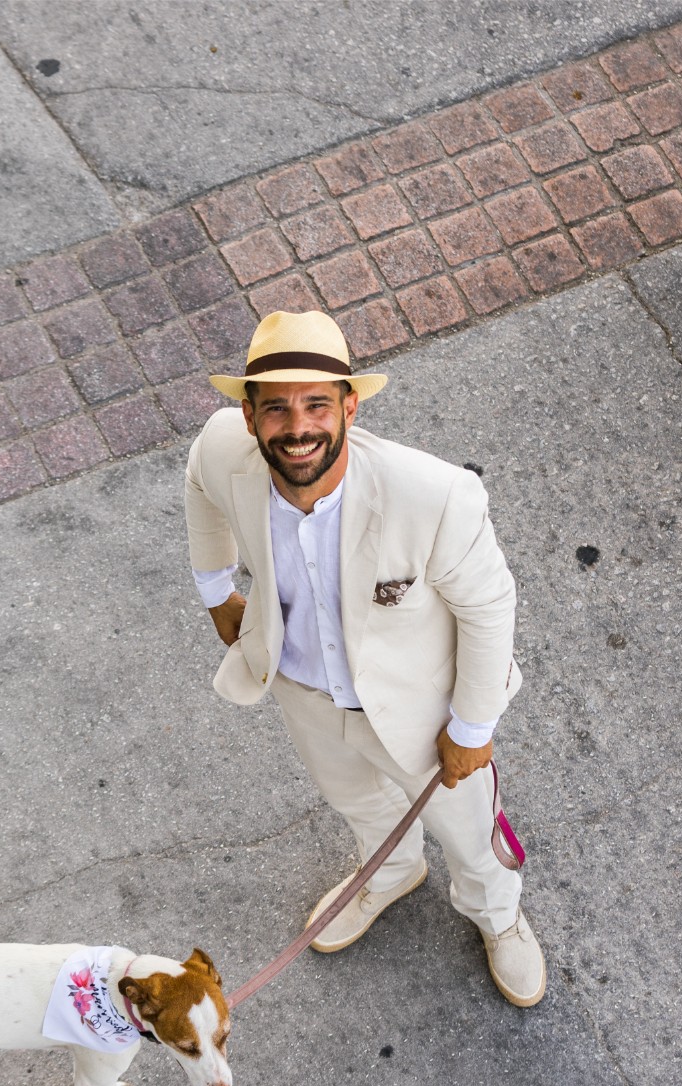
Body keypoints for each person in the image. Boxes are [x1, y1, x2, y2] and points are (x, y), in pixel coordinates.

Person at [184, 309, 545, 1007]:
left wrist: (472, 727)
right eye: (277, 408)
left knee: (469, 834)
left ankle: (498, 917)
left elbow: (489, 609)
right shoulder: (218, 448)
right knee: (355, 800)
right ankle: (389, 874)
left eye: (318, 404)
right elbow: (199, 491)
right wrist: (215, 588)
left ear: (350, 405)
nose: (299, 427)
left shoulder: (434, 496)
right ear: (248, 415)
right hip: (302, 688)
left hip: (420, 709)